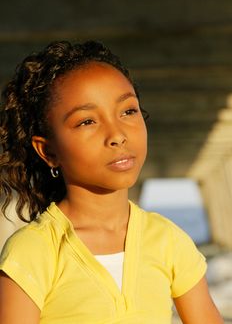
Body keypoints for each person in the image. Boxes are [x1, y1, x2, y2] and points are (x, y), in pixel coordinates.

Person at [0, 40, 223, 324]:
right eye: (87, 122)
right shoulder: (33, 251)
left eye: (128, 111)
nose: (117, 134)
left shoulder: (168, 240)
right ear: (49, 151)